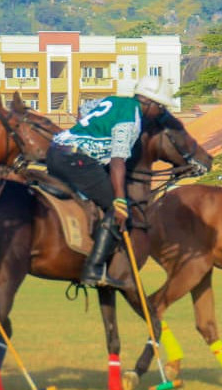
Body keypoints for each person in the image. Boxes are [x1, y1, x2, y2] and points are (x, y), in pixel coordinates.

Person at [46, 74, 176, 290]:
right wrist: (119, 200)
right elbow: (117, 162)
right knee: (114, 208)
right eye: (160, 108)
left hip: (55, 151)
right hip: (76, 160)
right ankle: (93, 269)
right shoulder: (131, 120)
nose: (160, 113)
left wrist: (92, 138)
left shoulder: (114, 100)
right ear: (150, 103)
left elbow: (84, 111)